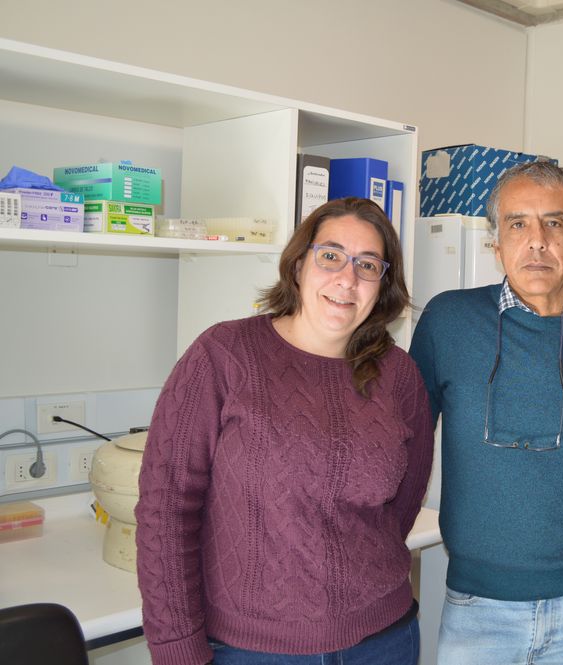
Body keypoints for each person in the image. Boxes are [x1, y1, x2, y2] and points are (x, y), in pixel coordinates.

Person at [135, 198, 434, 665]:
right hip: (251, 648)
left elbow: (403, 502)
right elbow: (166, 510)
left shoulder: (399, 375)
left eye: (368, 265)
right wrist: (177, 650)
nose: (347, 278)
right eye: (330, 255)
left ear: (383, 284)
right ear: (298, 264)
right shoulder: (223, 355)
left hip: (384, 639)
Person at [409, 161, 563, 665]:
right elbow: (403, 443)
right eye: (517, 224)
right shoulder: (447, 321)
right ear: (497, 244)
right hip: (478, 606)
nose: (537, 241)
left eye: (555, 223)